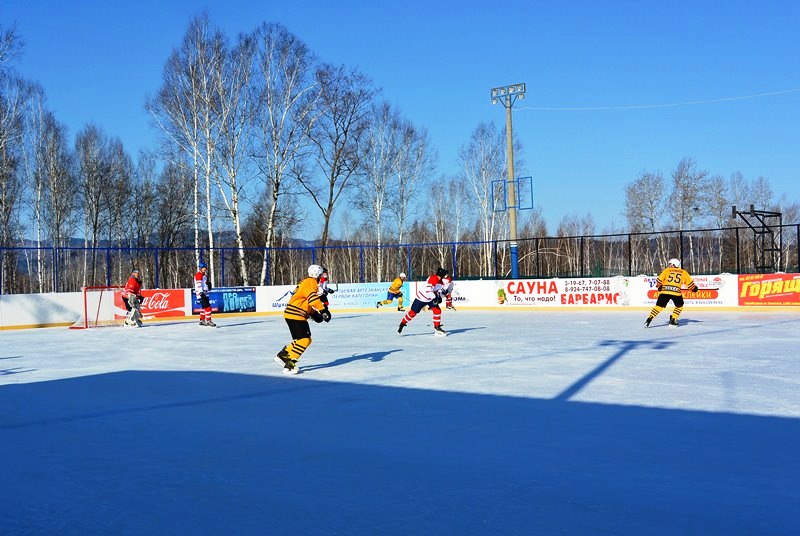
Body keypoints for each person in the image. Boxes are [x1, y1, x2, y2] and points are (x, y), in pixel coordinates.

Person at [275, 264, 332, 375]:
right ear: (317, 275)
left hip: (294, 314)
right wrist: (323, 311)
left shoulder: (306, 283)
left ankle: (283, 355)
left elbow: (306, 302)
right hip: (295, 314)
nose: (322, 277)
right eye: (321, 275)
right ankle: (290, 364)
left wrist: (315, 314)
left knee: (302, 339)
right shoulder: (311, 282)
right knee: (304, 340)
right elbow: (312, 298)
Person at [645, 258, 698, 327]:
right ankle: (673, 319)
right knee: (679, 306)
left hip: (665, 292)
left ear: (674, 264)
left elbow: (659, 281)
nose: (669, 265)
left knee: (658, 306)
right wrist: (694, 289)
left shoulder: (666, 271)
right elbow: (690, 284)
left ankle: (649, 319)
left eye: (670, 264)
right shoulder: (683, 272)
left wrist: (659, 286)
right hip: (676, 293)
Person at [398, 268, 448, 336]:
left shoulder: (441, 282)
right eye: (444, 275)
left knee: (437, 310)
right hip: (421, 298)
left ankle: (437, 327)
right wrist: (435, 298)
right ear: (442, 275)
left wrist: (439, 296)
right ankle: (402, 323)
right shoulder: (433, 278)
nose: (446, 276)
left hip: (430, 299)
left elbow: (437, 291)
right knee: (412, 313)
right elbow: (428, 291)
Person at [195, 261, 216, 327]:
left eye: (205, 267)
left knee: (203, 307)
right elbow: (198, 285)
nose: (205, 268)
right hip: (202, 294)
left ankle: (202, 320)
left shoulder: (204, 275)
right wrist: (201, 293)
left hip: (205, 293)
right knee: (208, 307)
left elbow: (203, 284)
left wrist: (208, 286)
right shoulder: (198, 275)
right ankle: (208, 321)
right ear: (200, 268)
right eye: (203, 267)